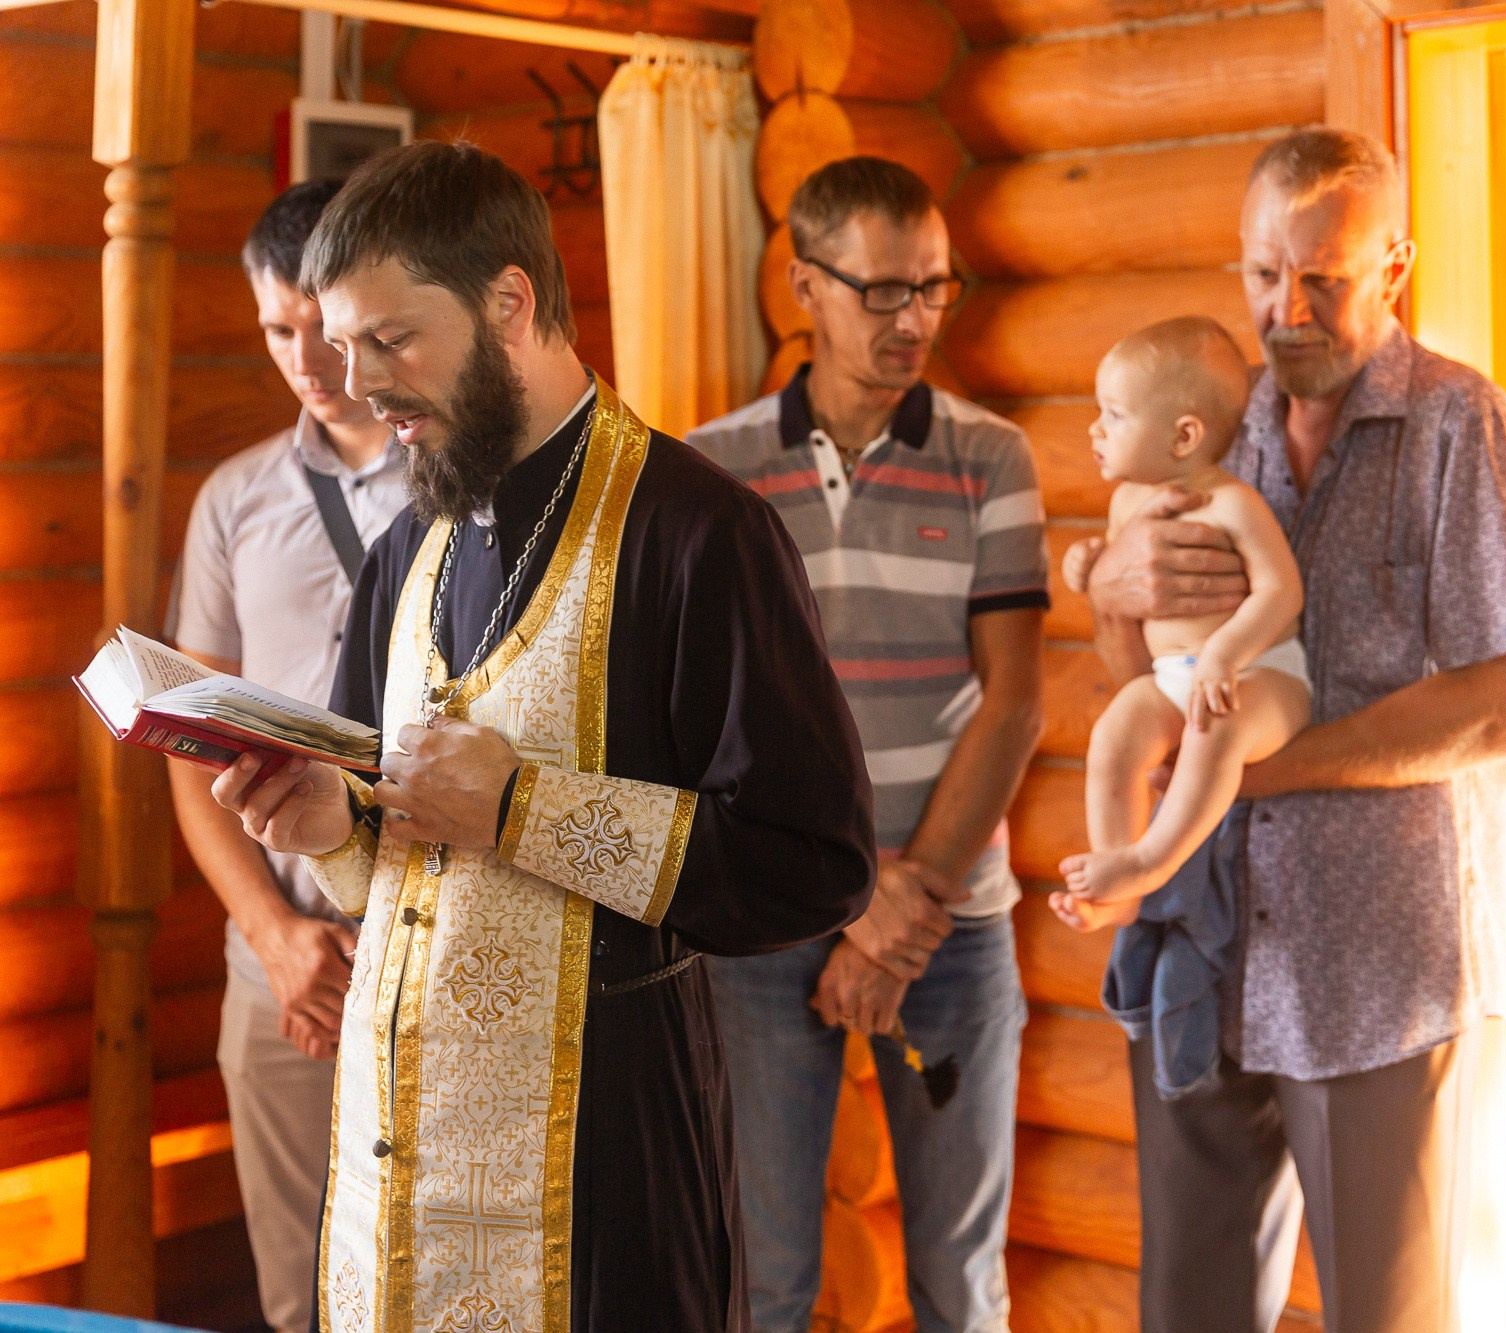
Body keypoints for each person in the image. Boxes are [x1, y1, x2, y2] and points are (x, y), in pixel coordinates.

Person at [207, 140, 876, 1332]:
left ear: (509, 301)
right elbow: (388, 842)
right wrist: (330, 831)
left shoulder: (698, 534)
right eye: (344, 344)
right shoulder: (406, 548)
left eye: (390, 341)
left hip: (603, 1168)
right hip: (393, 1164)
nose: (358, 385)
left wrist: (525, 809)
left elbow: (810, 863)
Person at [1070, 128, 1506, 1332]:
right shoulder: (1208, 426)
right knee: (1188, 1316)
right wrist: (1105, 597)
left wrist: (1266, 769)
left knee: (1385, 1317)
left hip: (1379, 970)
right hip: (1206, 947)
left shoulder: (1463, 426)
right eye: (1258, 275)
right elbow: (1134, 674)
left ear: (1392, 264)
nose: (1283, 310)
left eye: (1321, 280)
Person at [689, 155, 1046, 1333]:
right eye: (880, 290)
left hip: (949, 924)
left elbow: (1011, 705)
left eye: (933, 290)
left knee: (963, 1282)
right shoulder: (713, 470)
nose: (913, 321)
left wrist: (902, 915)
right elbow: (706, 719)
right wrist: (849, 903)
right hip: (766, 919)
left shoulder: (990, 454)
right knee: (768, 1279)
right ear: (803, 284)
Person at [162, 179, 405, 1333]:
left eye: (318, 319)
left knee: (437, 1279)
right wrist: (274, 936)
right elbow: (186, 745)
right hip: (280, 960)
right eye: (274, 328)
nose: (303, 355)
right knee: (300, 1296)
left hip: (435, 935)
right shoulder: (234, 499)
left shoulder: (469, 481)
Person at [1052, 316, 1308, 922]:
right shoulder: (1124, 503)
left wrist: (1225, 656)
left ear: (1184, 436)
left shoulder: (1234, 504)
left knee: (1216, 727)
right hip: (1172, 678)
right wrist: (1089, 565)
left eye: (1114, 414)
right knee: (1115, 732)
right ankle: (1116, 893)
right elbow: (1121, 593)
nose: (1095, 428)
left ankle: (1152, 861)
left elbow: (1282, 593)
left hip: (1262, 676)